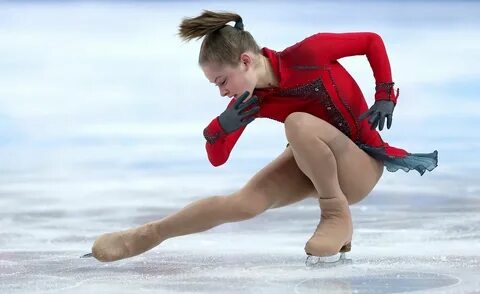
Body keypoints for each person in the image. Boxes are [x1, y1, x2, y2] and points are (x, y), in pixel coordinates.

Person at [87, 10, 438, 263]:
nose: (222, 92)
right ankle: (148, 234)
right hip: (312, 160)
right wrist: (222, 126)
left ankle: (335, 215)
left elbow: (370, 41)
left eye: (221, 81)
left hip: (360, 164)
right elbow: (217, 158)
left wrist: (384, 93)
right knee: (243, 203)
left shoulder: (309, 54)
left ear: (244, 61)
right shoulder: (251, 101)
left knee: (297, 123)